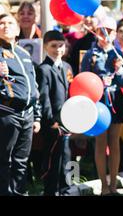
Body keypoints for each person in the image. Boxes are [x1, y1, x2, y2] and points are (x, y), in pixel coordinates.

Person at [81, 17, 123, 196]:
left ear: (115, 33)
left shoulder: (117, 53)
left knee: (114, 143)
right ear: (96, 32)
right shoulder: (90, 54)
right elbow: (82, 78)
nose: (106, 34)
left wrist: (120, 69)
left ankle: (113, 185)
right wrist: (98, 82)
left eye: (110, 30)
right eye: (102, 30)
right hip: (98, 101)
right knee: (100, 143)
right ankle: (104, 185)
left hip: (115, 99)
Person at [0, 13, 41, 196]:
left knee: (21, 161)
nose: (6, 26)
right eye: (1, 23)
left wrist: (37, 116)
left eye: (10, 23)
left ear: (17, 30)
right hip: (6, 113)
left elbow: (34, 86)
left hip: (28, 114)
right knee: (4, 160)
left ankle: (20, 193)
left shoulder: (24, 54)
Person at [36, 30, 73, 196]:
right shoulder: (44, 69)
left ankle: (66, 189)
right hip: (53, 122)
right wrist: (51, 121)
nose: (58, 49)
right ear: (45, 47)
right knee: (53, 159)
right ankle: (50, 190)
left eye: (60, 45)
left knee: (66, 156)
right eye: (53, 46)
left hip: (67, 120)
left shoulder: (66, 66)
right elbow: (44, 98)